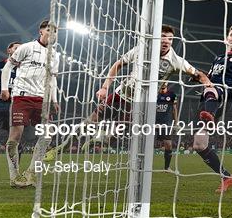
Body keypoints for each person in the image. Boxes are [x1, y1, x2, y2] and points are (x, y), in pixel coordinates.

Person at [45, 25, 211, 159]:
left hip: (139, 104)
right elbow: (118, 64)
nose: (166, 41)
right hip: (120, 94)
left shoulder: (176, 61)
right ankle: (61, 147)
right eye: (162, 37)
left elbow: (198, 74)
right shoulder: (142, 49)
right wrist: (104, 87)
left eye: (169, 38)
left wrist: (209, 85)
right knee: (91, 121)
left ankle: (99, 141)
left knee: (118, 133)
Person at [1, 21, 59, 187]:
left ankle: (30, 173)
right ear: (41, 31)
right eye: (49, 30)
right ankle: (14, 176)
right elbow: (8, 67)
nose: (53, 33)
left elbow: (52, 78)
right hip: (22, 97)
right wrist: (5, 89)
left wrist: (54, 99)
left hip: (42, 99)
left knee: (47, 135)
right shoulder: (26, 47)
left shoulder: (55, 55)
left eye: (55, 31)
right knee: (15, 136)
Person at [194, 25, 232, 193]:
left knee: (212, 88)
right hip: (209, 98)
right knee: (199, 144)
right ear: (227, 38)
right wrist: (199, 77)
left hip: (223, 96)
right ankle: (226, 176)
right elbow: (210, 77)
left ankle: (209, 114)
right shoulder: (218, 58)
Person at [0, 42, 22, 157]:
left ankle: (15, 171)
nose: (19, 51)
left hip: (15, 107)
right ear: (9, 50)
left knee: (17, 138)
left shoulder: (25, 70)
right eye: (16, 48)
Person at [155, 84, 178, 171]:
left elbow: (174, 109)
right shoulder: (154, 94)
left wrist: (176, 123)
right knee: (145, 143)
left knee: (168, 145)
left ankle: (167, 167)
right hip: (153, 122)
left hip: (166, 123)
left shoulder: (172, 95)